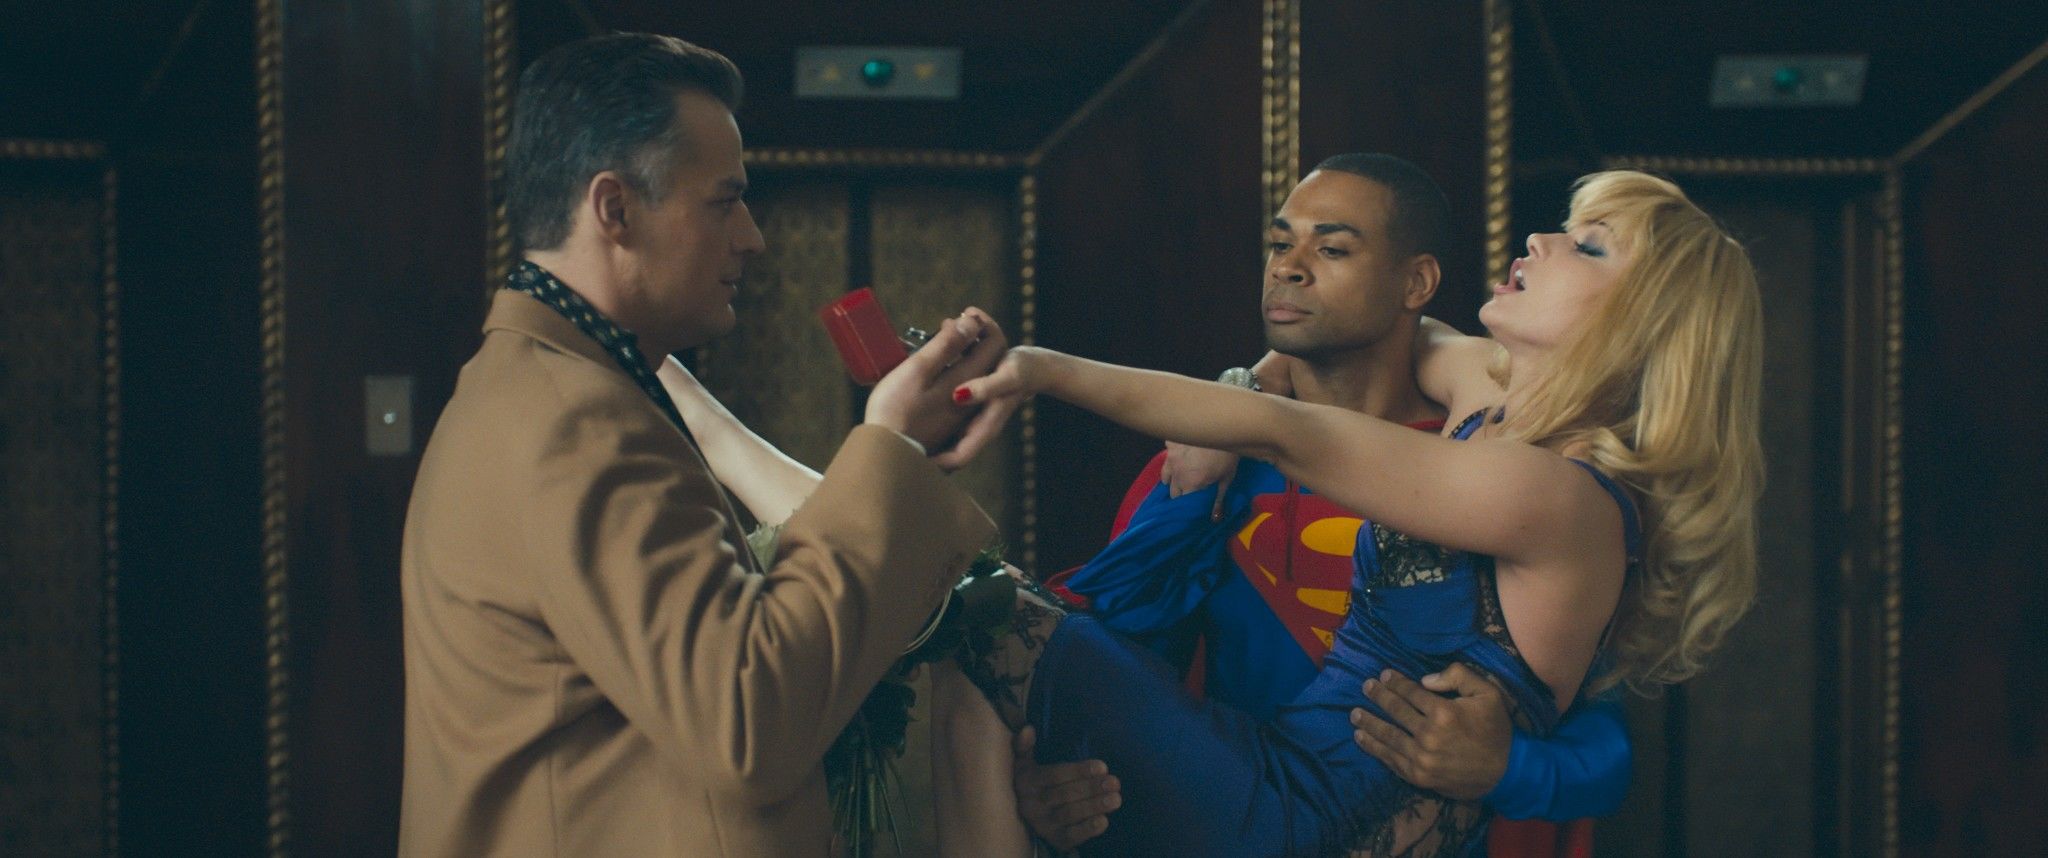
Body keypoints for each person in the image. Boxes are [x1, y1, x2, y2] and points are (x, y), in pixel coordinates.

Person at [936, 170, 1764, 856]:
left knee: (968, 606)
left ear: (1640, 323)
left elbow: (1291, 431)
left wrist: (1038, 369)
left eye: (1588, 246)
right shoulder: (1490, 404)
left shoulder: (1556, 493)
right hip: (1265, 778)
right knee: (977, 633)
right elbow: (1424, 337)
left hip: (1307, 818)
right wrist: (1255, 375)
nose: (1541, 240)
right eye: (1281, 246)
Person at [398, 33, 1015, 856]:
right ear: (615, 209)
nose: (753, 237)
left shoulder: (549, 385)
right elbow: (749, 719)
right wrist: (891, 444)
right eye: (725, 202)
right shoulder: (575, 421)